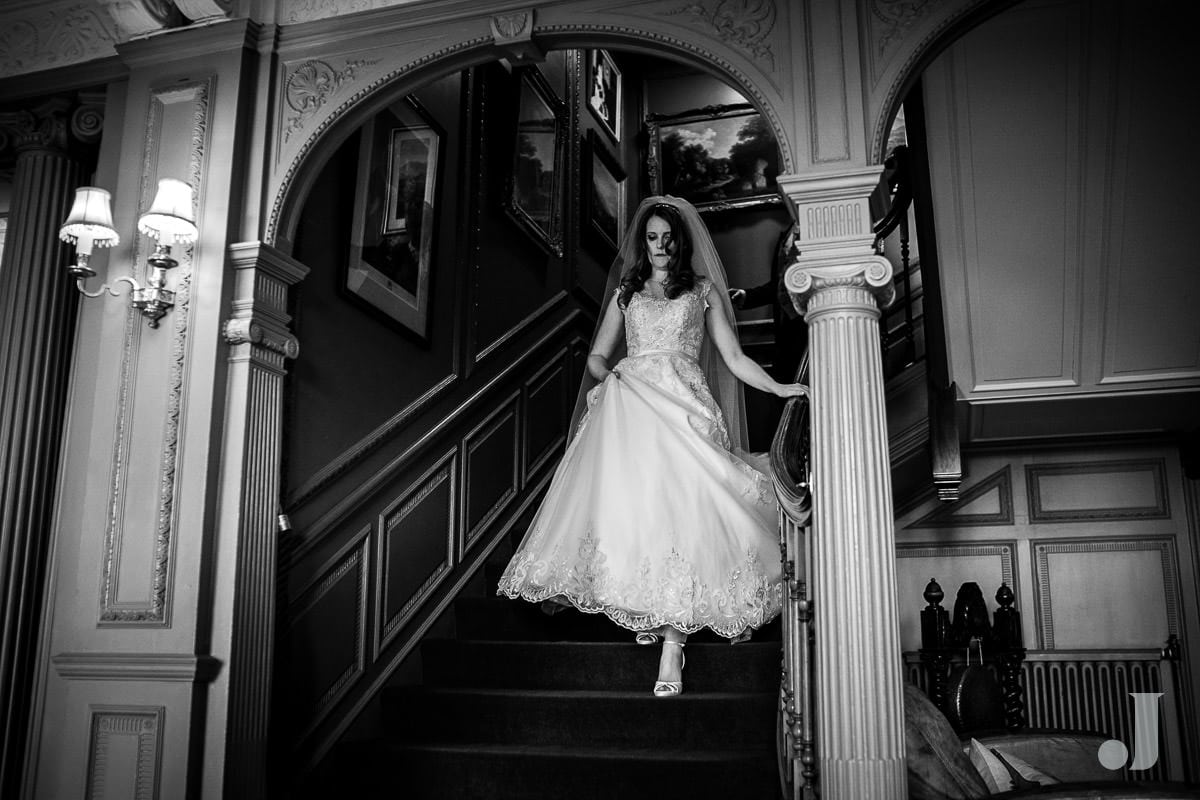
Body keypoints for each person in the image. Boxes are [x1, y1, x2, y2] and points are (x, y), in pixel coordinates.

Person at [496, 196, 806, 697]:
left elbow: (732, 357)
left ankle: (672, 642)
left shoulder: (701, 291)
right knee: (640, 514)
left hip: (683, 405)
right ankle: (652, 609)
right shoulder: (627, 291)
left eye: (667, 237)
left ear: (681, 242)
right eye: (651, 238)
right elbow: (597, 356)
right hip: (634, 404)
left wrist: (779, 388)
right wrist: (612, 374)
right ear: (643, 243)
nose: (659, 246)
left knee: (681, 510)